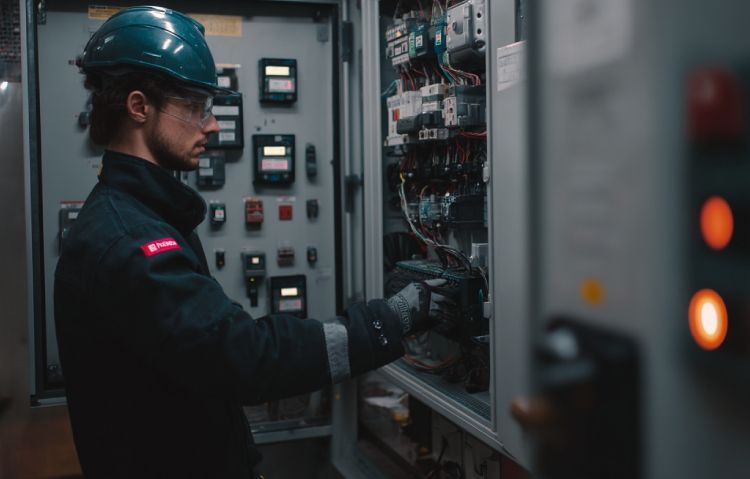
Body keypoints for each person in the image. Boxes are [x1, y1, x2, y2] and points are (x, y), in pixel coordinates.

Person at [53, 6, 455, 478]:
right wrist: (389, 320)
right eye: (195, 107)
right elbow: (243, 358)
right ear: (139, 107)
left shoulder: (143, 217)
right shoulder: (130, 241)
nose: (212, 125)